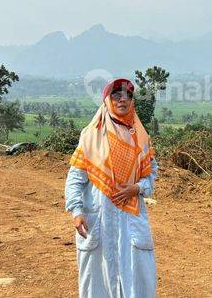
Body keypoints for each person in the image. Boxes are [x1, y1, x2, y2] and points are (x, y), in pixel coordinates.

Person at [64, 78, 159, 298]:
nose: (122, 99)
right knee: (98, 282)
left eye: (127, 95)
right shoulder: (91, 135)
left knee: (136, 278)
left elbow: (151, 174)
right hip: (99, 219)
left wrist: (136, 188)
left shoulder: (141, 136)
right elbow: (75, 178)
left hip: (131, 219)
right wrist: (76, 212)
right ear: (107, 100)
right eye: (116, 94)